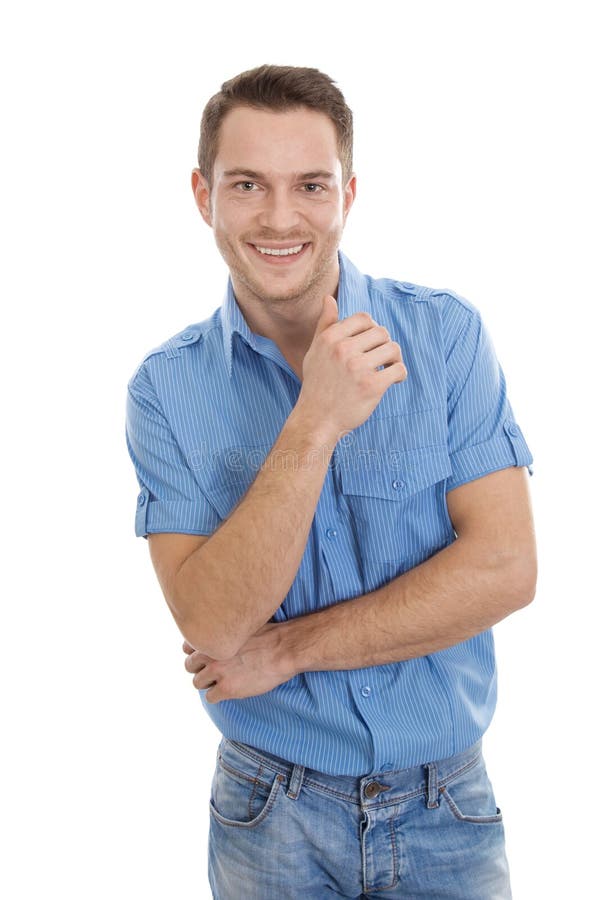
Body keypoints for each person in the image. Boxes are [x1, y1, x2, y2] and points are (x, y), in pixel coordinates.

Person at [125, 64, 536, 899]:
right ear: (203, 195)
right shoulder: (165, 389)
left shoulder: (446, 337)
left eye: (310, 184)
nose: (280, 218)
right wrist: (316, 421)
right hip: (269, 813)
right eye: (248, 185)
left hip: (446, 801)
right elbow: (211, 621)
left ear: (350, 192)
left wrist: (285, 651)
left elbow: (506, 568)